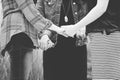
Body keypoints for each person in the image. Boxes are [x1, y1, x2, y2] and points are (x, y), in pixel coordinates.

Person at [0, 0, 66, 80]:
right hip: (20, 30)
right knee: (19, 76)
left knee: (19, 75)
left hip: (20, 32)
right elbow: (30, 11)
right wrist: (55, 28)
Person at [36, 0, 88, 80]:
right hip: (52, 50)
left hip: (77, 50)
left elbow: (92, 13)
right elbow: (37, 18)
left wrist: (83, 27)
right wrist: (44, 35)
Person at [85, 0, 120, 79]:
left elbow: (101, 8)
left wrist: (75, 27)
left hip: (106, 33)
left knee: (105, 77)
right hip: (106, 32)